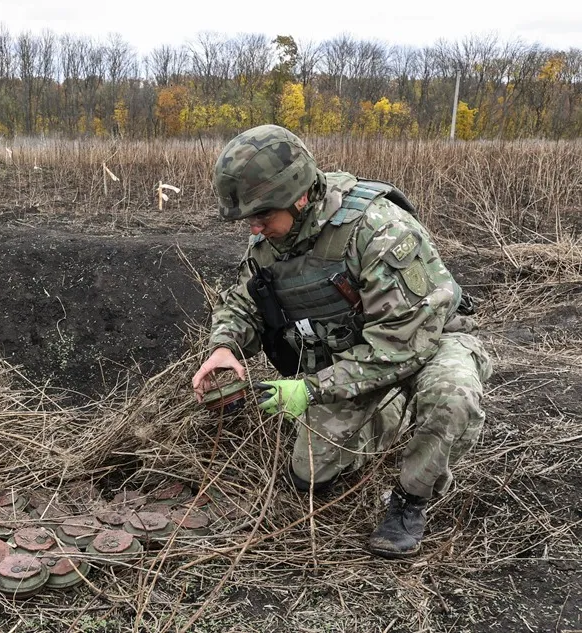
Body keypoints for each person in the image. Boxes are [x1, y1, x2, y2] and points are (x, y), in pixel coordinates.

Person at [192, 124, 492, 558]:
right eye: (248, 219)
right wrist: (224, 347)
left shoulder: (377, 229)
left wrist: (312, 389)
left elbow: (402, 345)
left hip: (427, 347)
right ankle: (388, 413)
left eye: (262, 215)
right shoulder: (273, 241)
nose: (254, 228)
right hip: (352, 360)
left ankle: (410, 500)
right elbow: (244, 304)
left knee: (452, 397)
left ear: (298, 196)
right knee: (310, 476)